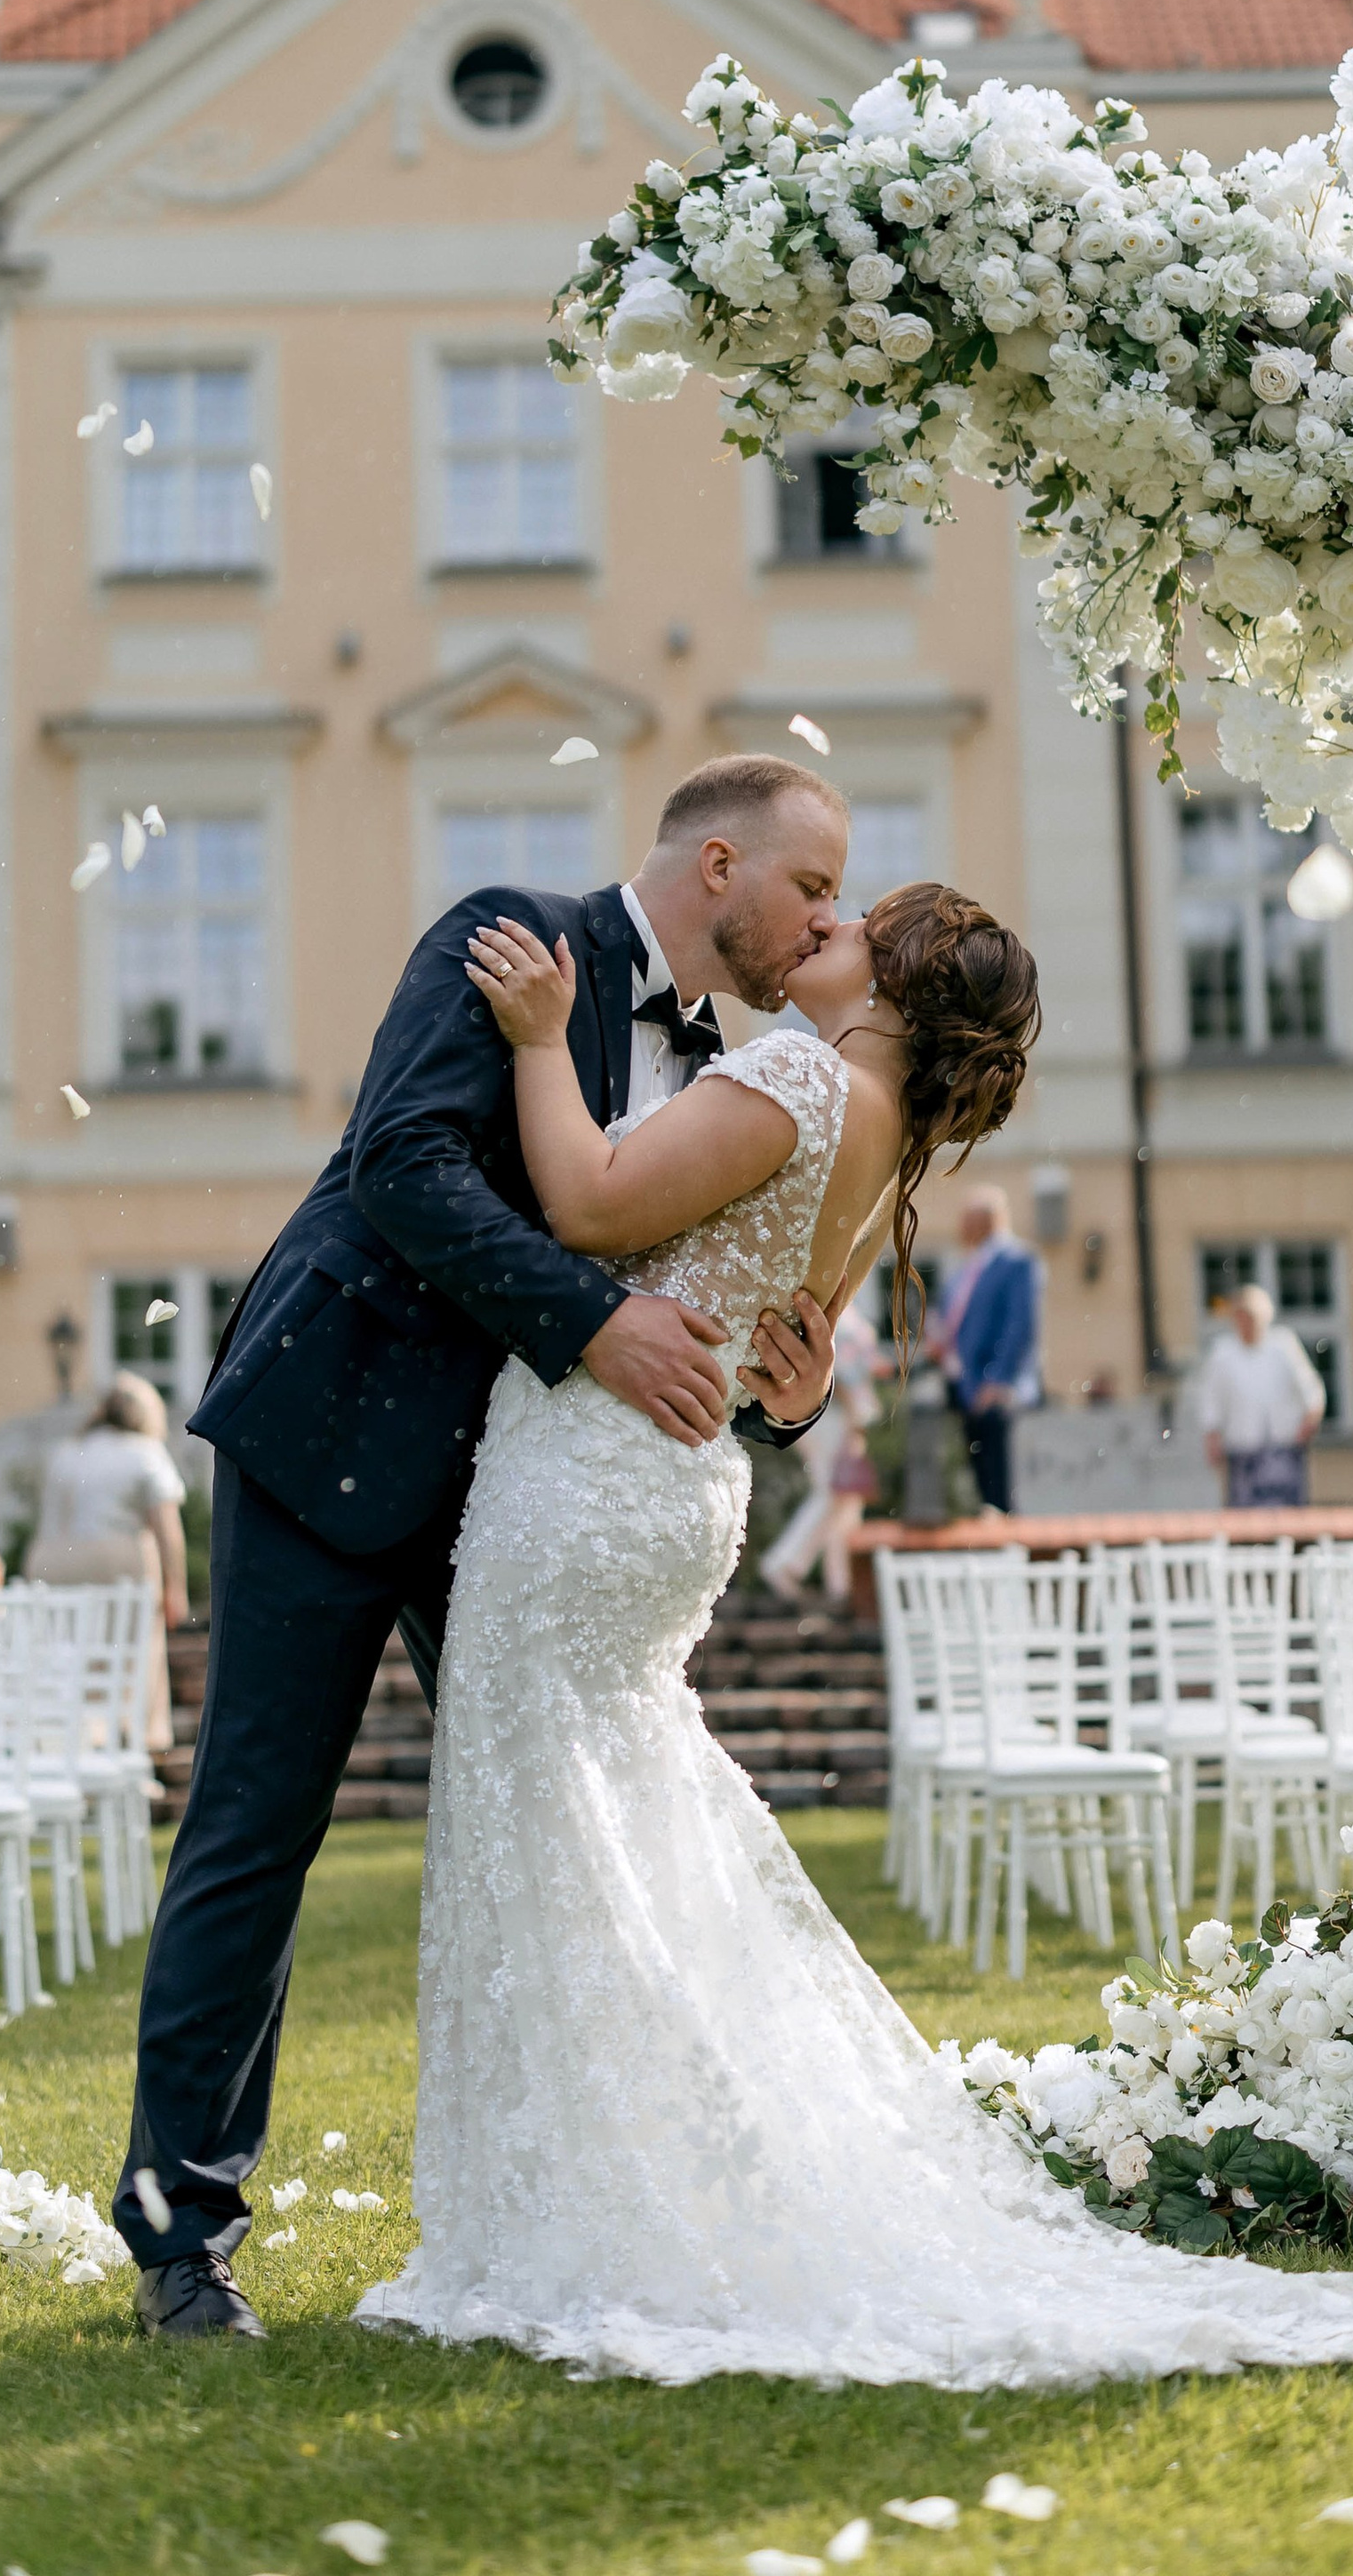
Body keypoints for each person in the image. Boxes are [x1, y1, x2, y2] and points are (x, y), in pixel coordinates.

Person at [350, 880, 1353, 2390]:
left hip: (596, 1480)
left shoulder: (802, 1077)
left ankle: (591, 2204)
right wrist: (785, 1387)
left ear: (902, 974)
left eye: (852, 919)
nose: (820, 927)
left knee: (551, 1820)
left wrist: (542, 1038)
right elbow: (786, 1362)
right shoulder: (892, 1145)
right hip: (674, 1480)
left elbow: (593, 1208)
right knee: (619, 1822)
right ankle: (617, 2177)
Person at [116, 754, 850, 2336]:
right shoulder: (512, 933)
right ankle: (182, 2242)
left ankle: (625, 2197)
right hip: (335, 1435)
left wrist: (781, 1398)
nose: (822, 922)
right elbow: (407, 1166)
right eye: (808, 887)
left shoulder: (735, 1067)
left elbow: (703, 1302)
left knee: (579, 1824)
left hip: (522, 1500)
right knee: (256, 1827)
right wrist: (592, 1322)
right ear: (718, 865)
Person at [26, 1371, 190, 1749]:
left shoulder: (66, 1450)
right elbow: (167, 1528)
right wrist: (175, 1587)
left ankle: (72, 1739)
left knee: (71, 1656)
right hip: (114, 1560)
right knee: (131, 1654)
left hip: (52, 1560)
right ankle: (138, 1738)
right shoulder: (145, 1451)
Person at [758, 1294, 892, 1608]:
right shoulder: (838, 1313)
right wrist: (857, 1417)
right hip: (831, 1416)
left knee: (846, 1499)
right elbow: (840, 1373)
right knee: (833, 1493)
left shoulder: (845, 1311)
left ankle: (841, 1583)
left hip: (832, 1415)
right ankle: (783, 1564)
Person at [944, 1185, 1041, 1516]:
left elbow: (1020, 1324)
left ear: (986, 1221)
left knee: (999, 1487)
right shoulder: (969, 1266)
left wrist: (999, 1379)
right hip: (965, 1387)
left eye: (966, 1219)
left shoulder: (1015, 1261)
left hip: (993, 1390)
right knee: (979, 1486)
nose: (959, 1227)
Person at [1191, 1283, 1325, 1509]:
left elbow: (1310, 1388)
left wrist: (1310, 1420)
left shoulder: (1283, 1345)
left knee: (1289, 1514)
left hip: (1284, 1445)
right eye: (1241, 1316)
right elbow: (1211, 1399)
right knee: (1246, 1517)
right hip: (1242, 1448)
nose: (1247, 1323)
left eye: (1252, 1317)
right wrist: (1212, 1437)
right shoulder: (1222, 1353)